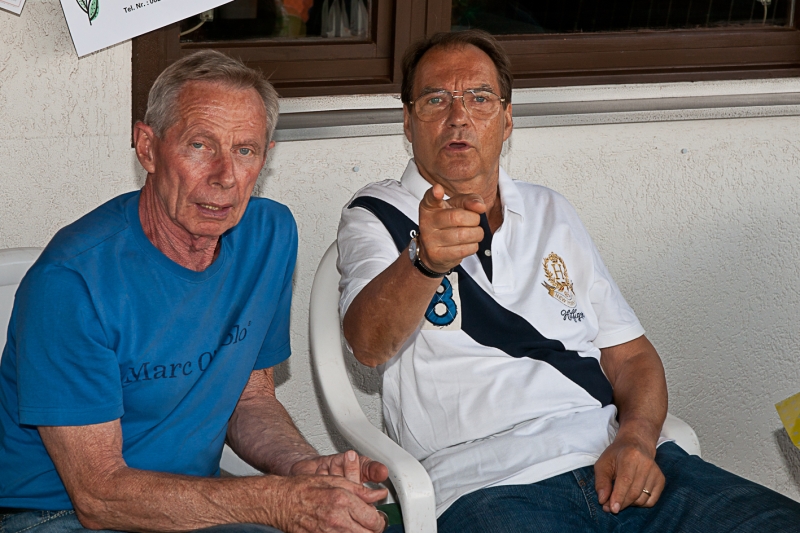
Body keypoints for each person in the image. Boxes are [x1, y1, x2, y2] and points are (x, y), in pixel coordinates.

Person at [337, 30, 800, 532]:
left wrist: (637, 438)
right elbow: (368, 345)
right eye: (435, 100)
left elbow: (632, 357)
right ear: (408, 122)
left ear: (507, 119)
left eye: (480, 98)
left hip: (612, 456)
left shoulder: (549, 210)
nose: (459, 117)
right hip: (485, 485)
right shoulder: (378, 215)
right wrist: (424, 262)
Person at [0, 50, 390, 533]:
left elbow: (249, 398)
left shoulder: (268, 237)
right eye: (200, 145)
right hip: (52, 512)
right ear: (147, 148)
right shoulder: (71, 281)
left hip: (192, 499)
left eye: (244, 151)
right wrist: (276, 502)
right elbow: (99, 497)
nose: (225, 176)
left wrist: (303, 468)